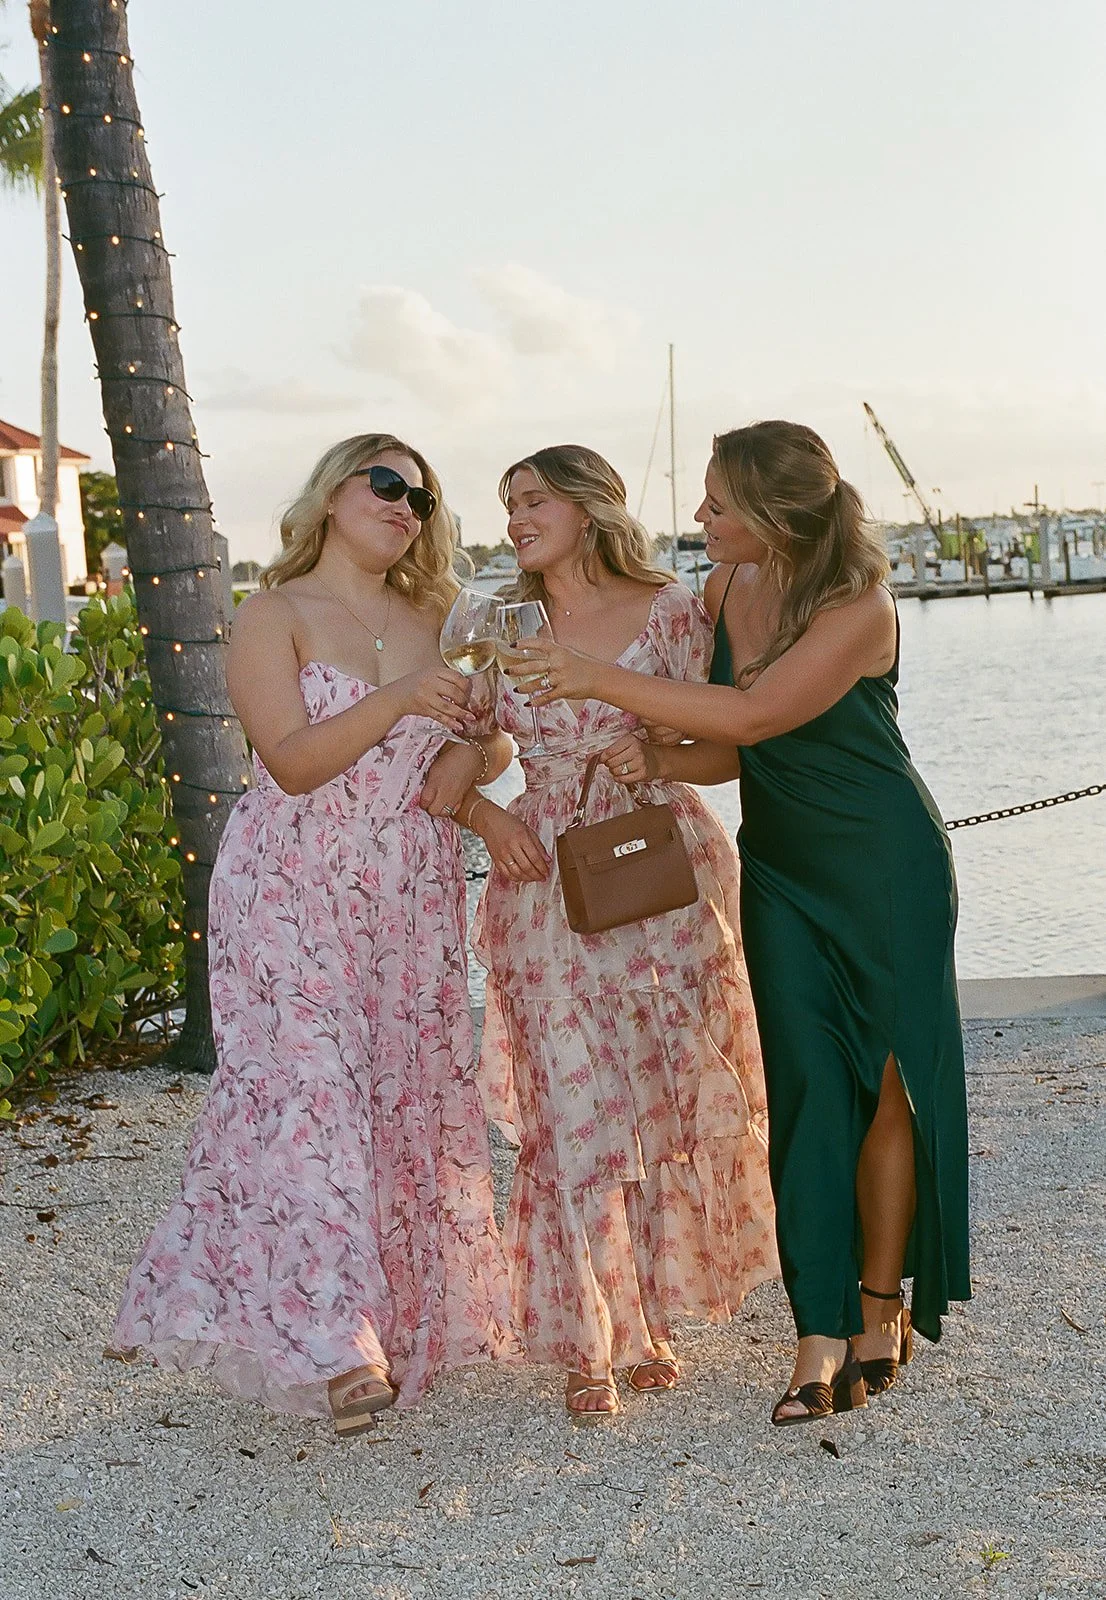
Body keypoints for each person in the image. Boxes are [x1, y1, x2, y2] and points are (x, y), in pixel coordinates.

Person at [512, 421, 971, 1426]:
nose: (697, 518)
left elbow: (758, 715)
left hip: (882, 862)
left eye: (716, 503)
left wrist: (593, 677)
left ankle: (876, 1305)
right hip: (778, 871)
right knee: (804, 1088)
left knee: (886, 1086)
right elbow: (717, 742)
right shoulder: (717, 595)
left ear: (774, 512)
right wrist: (655, 760)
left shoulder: (857, 604)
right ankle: (813, 1334)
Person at [108, 433, 519, 1436]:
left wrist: (477, 761)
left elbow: (493, 730)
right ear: (332, 492)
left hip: (408, 896)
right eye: (385, 482)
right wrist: (395, 701)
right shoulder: (272, 612)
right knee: (308, 1096)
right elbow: (289, 761)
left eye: (421, 497)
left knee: (398, 1095)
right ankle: (333, 1343)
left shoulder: (442, 617)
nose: (405, 505)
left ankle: (389, 1316)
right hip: (288, 890)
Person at [451, 444, 777, 1421]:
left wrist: (652, 748)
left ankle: (648, 1318)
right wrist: (489, 815)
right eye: (506, 502)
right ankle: (589, 1336)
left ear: (588, 507)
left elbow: (723, 743)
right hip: (544, 878)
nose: (513, 516)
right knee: (569, 1113)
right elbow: (452, 754)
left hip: (659, 869)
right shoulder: (492, 621)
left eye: (532, 497)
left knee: (653, 1107)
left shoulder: (670, 607)